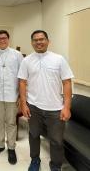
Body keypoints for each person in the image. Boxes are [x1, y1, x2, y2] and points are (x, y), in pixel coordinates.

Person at [18, 30, 74, 171]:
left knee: (56, 141)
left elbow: (67, 82)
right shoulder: (26, 61)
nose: (39, 42)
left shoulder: (59, 59)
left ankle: (55, 166)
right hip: (34, 107)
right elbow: (22, 83)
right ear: (32, 43)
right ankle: (35, 160)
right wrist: (23, 104)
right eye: (35, 40)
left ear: (48, 41)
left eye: (42, 39)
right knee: (34, 135)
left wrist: (66, 107)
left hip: (55, 109)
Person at [0, 30, 23, 165]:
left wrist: (21, 96)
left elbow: (22, 77)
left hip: (12, 95)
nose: (2, 40)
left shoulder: (17, 55)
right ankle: (0, 145)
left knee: (11, 123)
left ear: (8, 39)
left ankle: (11, 147)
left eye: (4, 38)